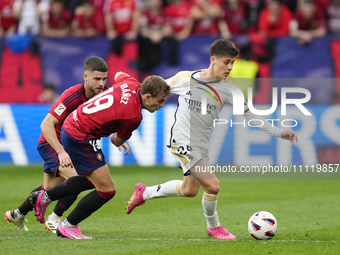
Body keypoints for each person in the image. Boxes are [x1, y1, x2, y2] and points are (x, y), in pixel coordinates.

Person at [125, 39, 298, 239]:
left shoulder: (229, 89)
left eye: (233, 62)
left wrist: (278, 132)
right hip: (182, 141)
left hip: (201, 143)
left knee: (189, 190)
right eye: (226, 62)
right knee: (213, 185)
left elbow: (250, 115)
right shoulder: (185, 79)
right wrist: (125, 122)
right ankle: (213, 226)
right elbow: (153, 92)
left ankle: (143, 193)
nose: (230, 67)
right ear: (213, 60)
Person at [29, 72, 171, 239]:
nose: (161, 105)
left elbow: (118, 74)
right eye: (160, 100)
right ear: (147, 97)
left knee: (91, 180)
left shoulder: (132, 82)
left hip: (71, 125)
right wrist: (117, 137)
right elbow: (117, 141)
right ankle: (68, 225)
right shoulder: (133, 116)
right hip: (80, 136)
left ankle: (44, 197)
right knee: (107, 190)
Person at [4, 56, 116, 233]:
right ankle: (54, 219)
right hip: (53, 144)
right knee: (80, 179)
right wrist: (61, 152)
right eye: (97, 79)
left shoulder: (106, 95)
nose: (102, 83)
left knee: (49, 188)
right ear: (85, 76)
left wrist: (118, 136)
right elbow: (46, 124)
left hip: (74, 147)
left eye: (104, 78)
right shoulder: (72, 95)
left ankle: (18, 213)